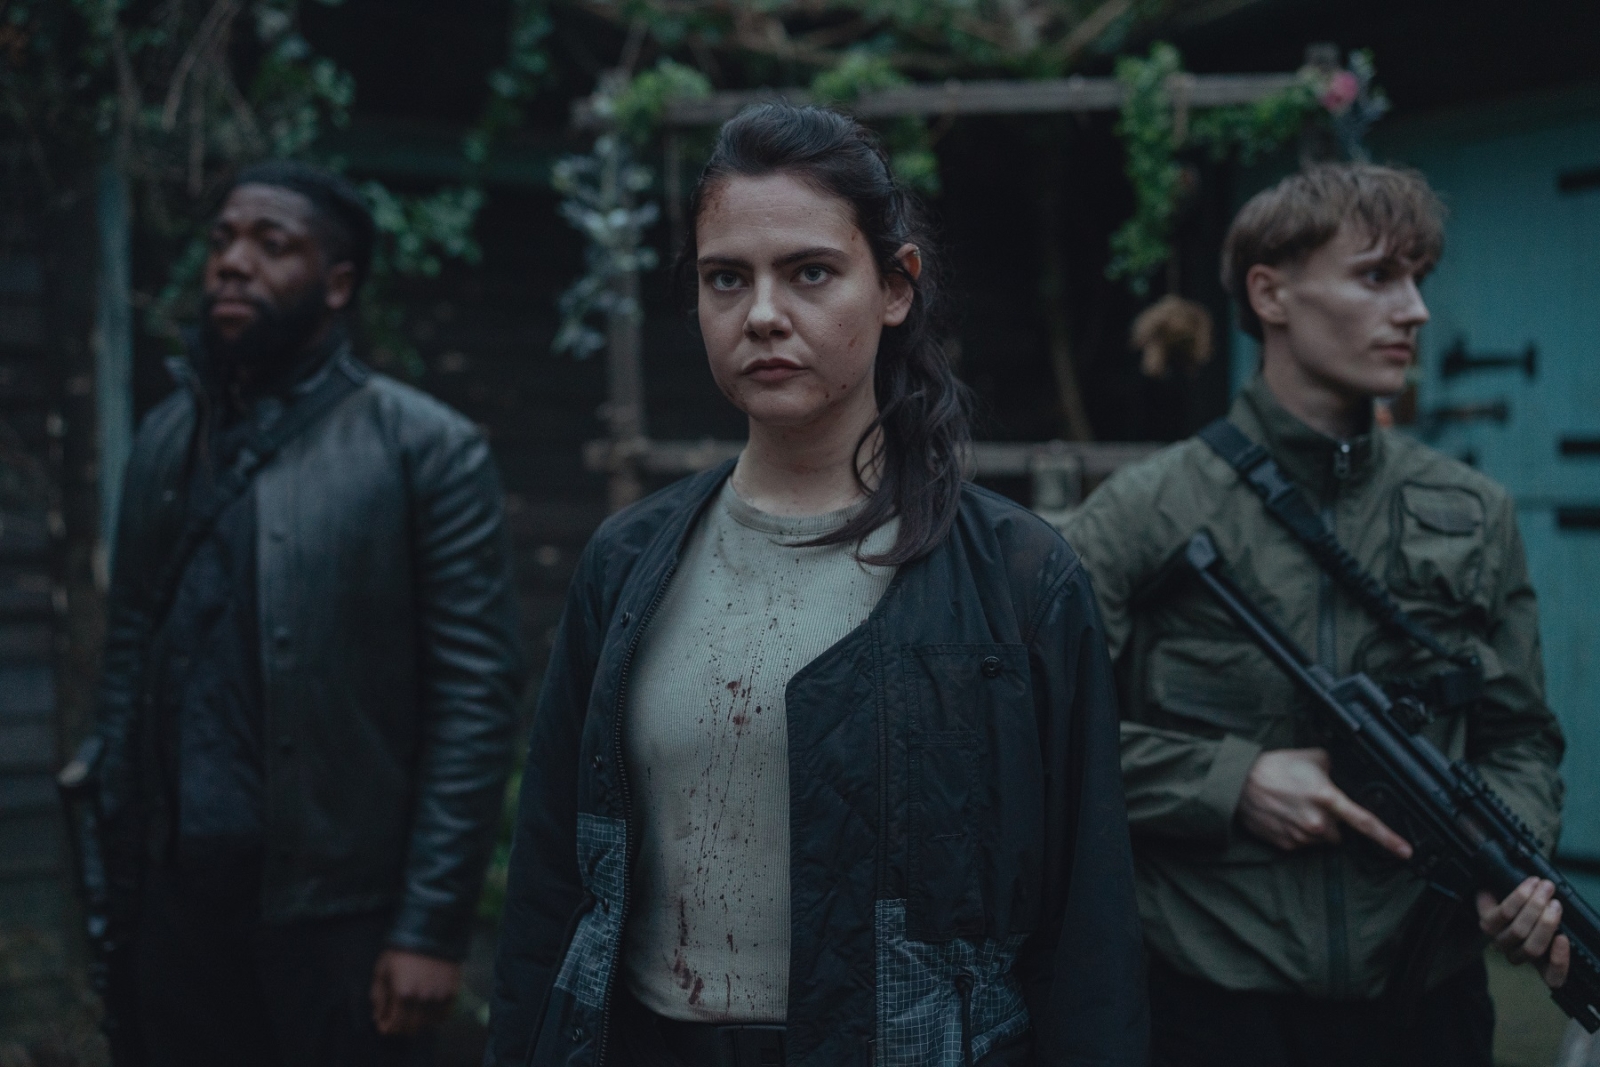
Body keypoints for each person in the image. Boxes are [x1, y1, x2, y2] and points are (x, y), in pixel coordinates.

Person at [485, 103, 1146, 1067]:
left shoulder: (1017, 580)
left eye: (810, 272)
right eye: (726, 278)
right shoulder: (628, 563)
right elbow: (551, 883)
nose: (762, 314)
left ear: (895, 287)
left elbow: (1087, 925)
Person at [1061, 163, 1567, 1067]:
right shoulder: (1147, 511)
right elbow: (1042, 733)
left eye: (1418, 279)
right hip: (1212, 1009)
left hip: (1428, 1004)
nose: (1415, 311)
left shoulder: (1474, 511)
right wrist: (1230, 780)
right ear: (1271, 294)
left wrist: (1508, 858)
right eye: (1377, 277)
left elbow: (1521, 736)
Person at [91, 160, 524, 1065]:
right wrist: (121, 874)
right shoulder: (167, 438)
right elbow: (127, 652)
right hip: (176, 908)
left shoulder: (425, 449)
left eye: (271, 244)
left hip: (340, 915)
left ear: (337, 282)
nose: (232, 262)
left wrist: (430, 927)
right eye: (222, 240)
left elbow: (475, 699)